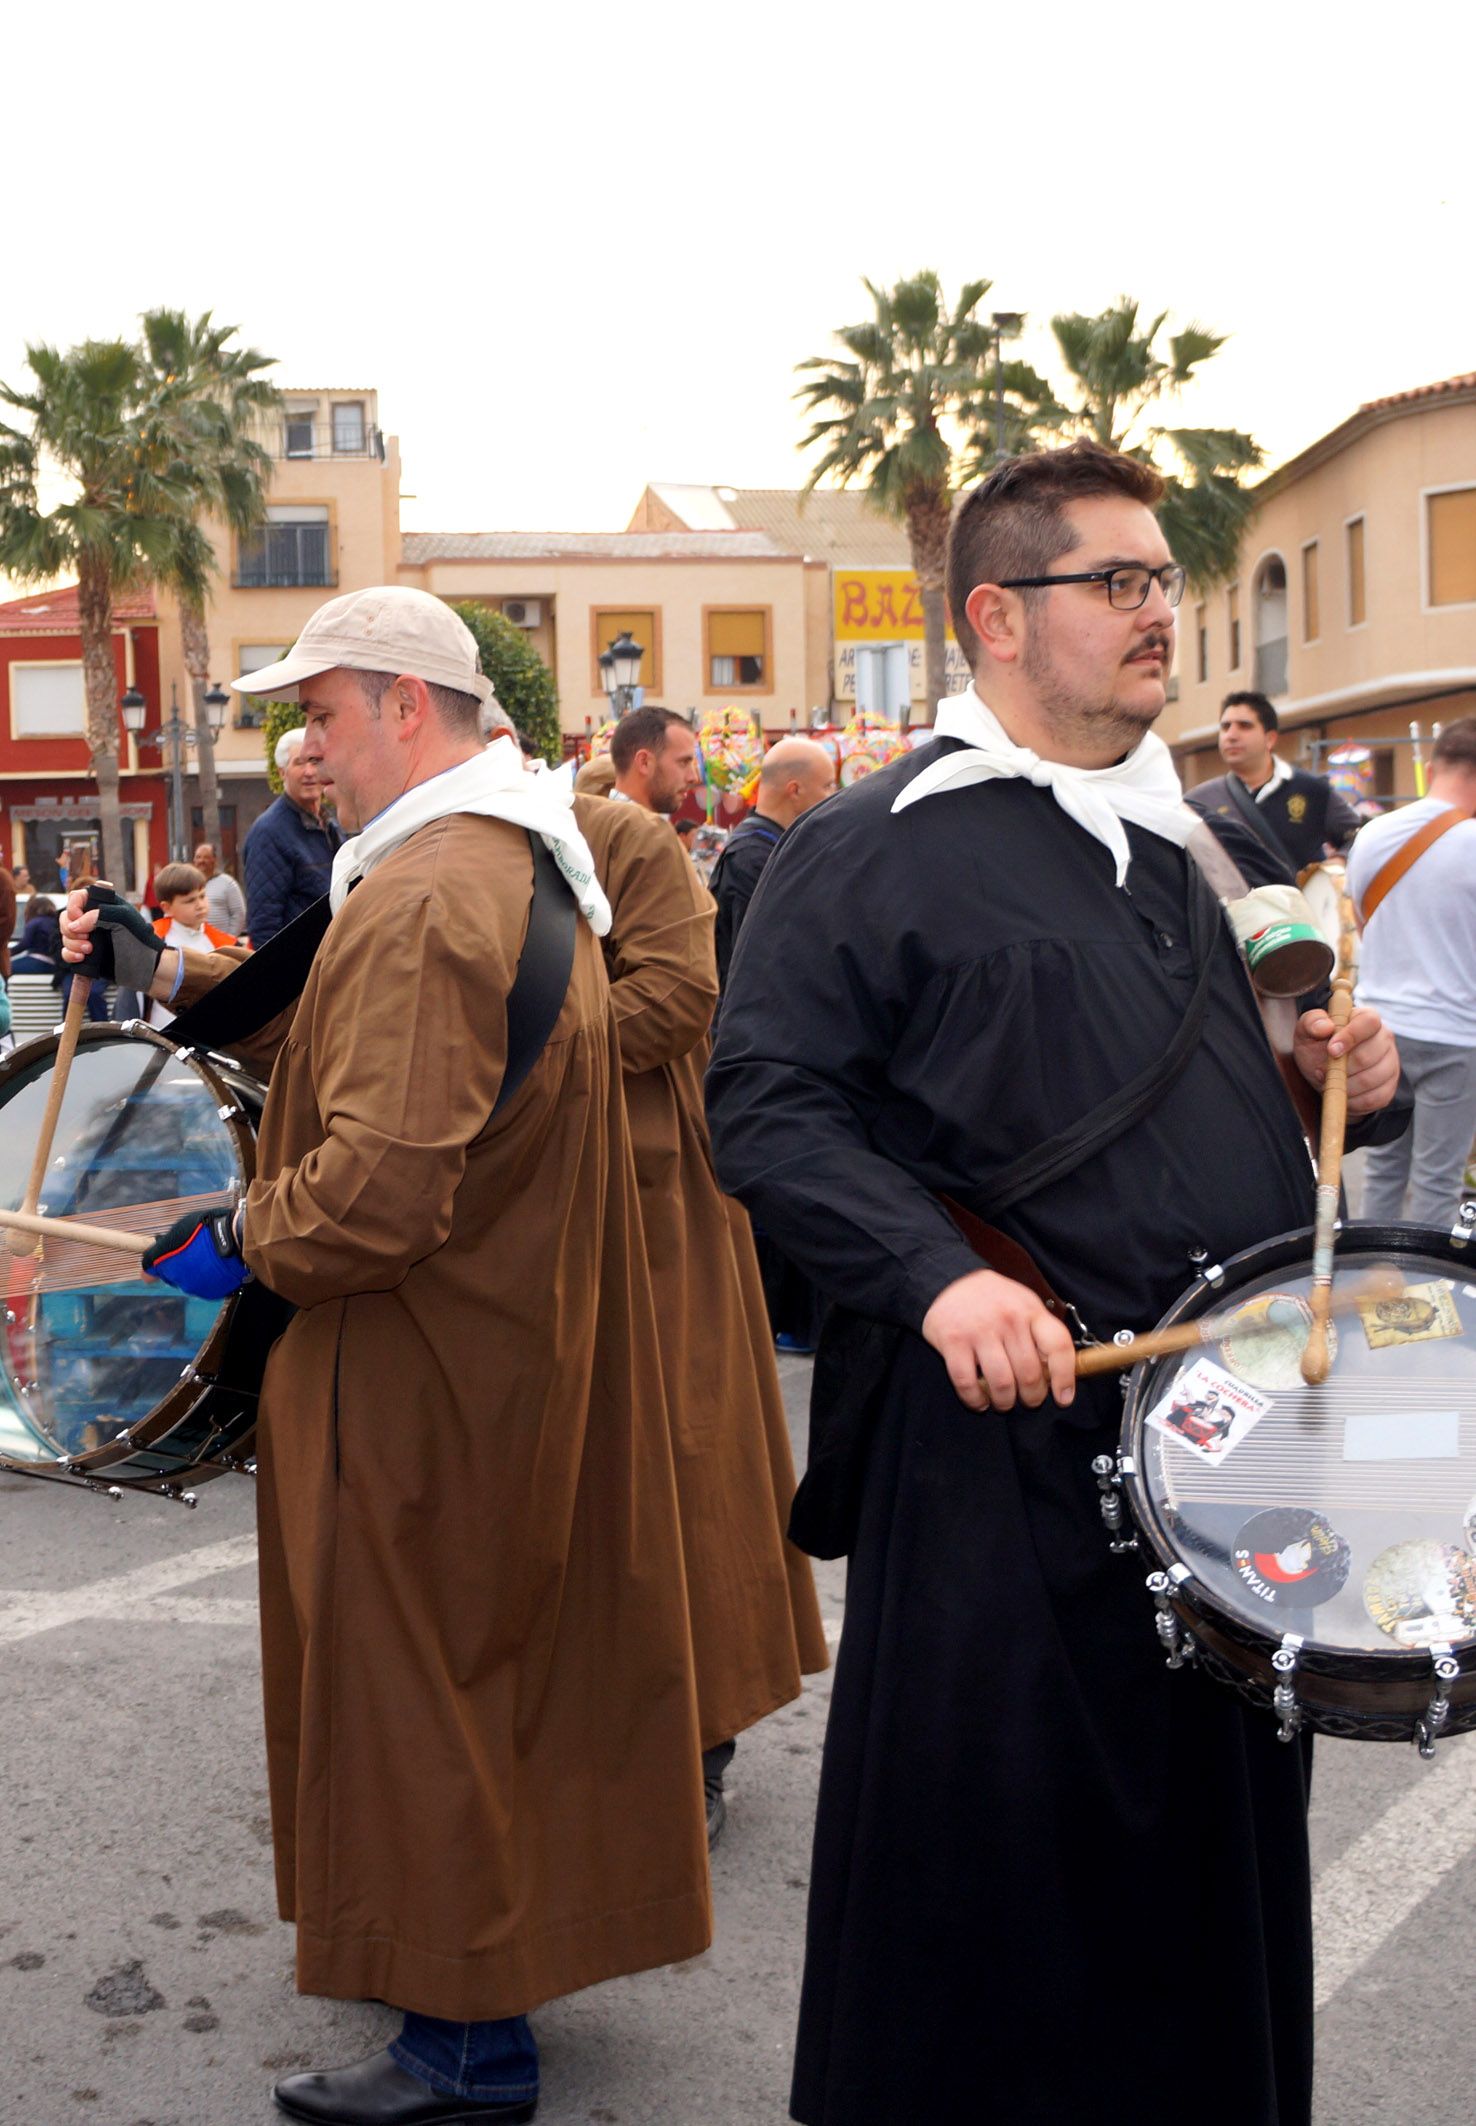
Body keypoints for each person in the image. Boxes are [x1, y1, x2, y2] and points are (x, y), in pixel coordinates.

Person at [707, 440, 1406, 2126]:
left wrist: (1344, 1071)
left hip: (1230, 1453)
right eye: (1119, 582)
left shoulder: (1188, 849)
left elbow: (1215, 1097)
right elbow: (767, 1103)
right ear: (997, 619)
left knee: (1202, 1891)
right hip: (1008, 1462)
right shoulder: (876, 844)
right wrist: (938, 1279)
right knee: (999, 1910)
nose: (1159, 610)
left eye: (1163, 580)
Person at [64, 586, 710, 2126]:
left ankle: (464, 2046)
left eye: (325, 715)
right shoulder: (500, 863)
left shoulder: (425, 896)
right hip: (492, 1334)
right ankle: (471, 1974)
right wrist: (171, 973)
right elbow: (364, 1054)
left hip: (421, 1359)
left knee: (416, 1684)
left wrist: (235, 1234)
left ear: (407, 708)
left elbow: (378, 1186)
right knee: (482, 1678)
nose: (307, 751)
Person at [582, 728, 828, 1842]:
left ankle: (699, 1746)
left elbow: (683, 996)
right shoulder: (391, 857)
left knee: (685, 1475)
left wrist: (492, 1050)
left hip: (659, 1204)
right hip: (534, 1222)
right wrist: (166, 971)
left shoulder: (622, 842)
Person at [1347, 716, 1476, 1224]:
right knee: (1437, 1182)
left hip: (1380, 1027)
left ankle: (1370, 1291)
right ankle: (1427, 1298)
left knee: (1382, 1173)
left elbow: (1361, 921)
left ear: (1432, 766)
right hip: (1456, 1033)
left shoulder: (1373, 834)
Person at [710, 737, 835, 989]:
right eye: (828, 786)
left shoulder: (775, 847)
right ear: (795, 790)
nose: (834, 796)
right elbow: (762, 964)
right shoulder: (751, 859)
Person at [1188, 690, 1361, 870]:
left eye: (1244, 726)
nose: (1231, 735)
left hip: (1296, 897)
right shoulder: (1199, 800)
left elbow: (1361, 837)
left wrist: (1338, 862)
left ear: (1270, 739)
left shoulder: (1312, 790)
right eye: (1225, 727)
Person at [242, 727, 343, 943]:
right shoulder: (268, 833)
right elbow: (263, 926)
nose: (309, 771)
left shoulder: (330, 823)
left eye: (315, 761)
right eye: (299, 762)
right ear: (282, 772)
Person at [144, 862, 238, 1029]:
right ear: (167, 907)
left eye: (202, 896)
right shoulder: (153, 940)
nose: (200, 904)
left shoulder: (223, 943)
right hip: (162, 1030)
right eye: (190, 901)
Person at [609, 705, 703, 814]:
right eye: (683, 762)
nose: (694, 777)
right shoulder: (629, 828)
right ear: (644, 762)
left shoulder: (601, 822)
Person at [194, 840, 248, 937]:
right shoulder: (189, 884)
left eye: (206, 857)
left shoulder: (227, 883)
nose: (201, 861)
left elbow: (239, 914)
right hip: (195, 945)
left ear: (214, 860)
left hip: (221, 945)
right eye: (198, 857)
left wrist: (229, 939)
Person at [11, 894, 62, 974]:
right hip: (55, 965)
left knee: (6, 968)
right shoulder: (57, 922)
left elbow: (24, 944)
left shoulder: (34, 923)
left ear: (31, 909)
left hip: (38, 960)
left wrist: (7, 953)